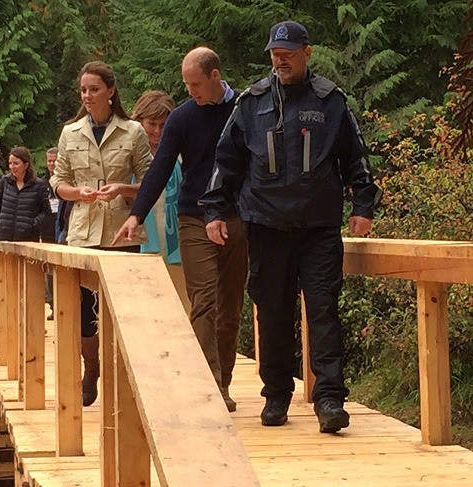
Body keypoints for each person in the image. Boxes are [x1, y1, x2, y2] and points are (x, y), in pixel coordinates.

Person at [202, 21, 382, 433]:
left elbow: (356, 156)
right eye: (274, 54)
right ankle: (276, 395)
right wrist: (214, 211)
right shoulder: (251, 102)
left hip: (318, 227)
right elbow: (226, 162)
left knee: (322, 310)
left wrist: (363, 205)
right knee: (273, 311)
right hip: (265, 225)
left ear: (307, 52)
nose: (279, 60)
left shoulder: (330, 100)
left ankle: (330, 399)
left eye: (287, 53)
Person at [112, 47, 248, 412]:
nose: (190, 91)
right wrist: (136, 215)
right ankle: (212, 388)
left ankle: (225, 379)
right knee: (204, 300)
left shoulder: (245, 110)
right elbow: (158, 170)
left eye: (196, 84)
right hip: (195, 217)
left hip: (238, 217)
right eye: (186, 83)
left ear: (215, 76)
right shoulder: (183, 119)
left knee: (230, 307)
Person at [49, 61, 152, 406]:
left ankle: (124, 376)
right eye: (83, 90)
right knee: (82, 311)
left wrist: (122, 187)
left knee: (123, 308)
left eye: (94, 89)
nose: (88, 95)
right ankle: (90, 368)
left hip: (121, 231)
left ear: (111, 91)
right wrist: (78, 193)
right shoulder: (70, 133)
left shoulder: (133, 131)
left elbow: (150, 182)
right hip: (82, 230)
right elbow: (58, 181)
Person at [132, 90, 190, 311]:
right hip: (142, 236)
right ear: (140, 121)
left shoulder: (182, 151)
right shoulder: (131, 152)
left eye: (163, 124)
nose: (157, 131)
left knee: (181, 302)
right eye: (152, 124)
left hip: (175, 237)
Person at [0, 147, 51, 241]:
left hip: (28, 239)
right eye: (10, 163)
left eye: (16, 163)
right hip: (4, 238)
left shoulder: (38, 185)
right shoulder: (5, 181)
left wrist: (33, 224)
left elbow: (46, 212)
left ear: (26, 165)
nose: (12, 166)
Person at [41, 147, 60, 320]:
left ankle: (63, 306)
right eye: (49, 161)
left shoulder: (67, 182)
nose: (52, 164)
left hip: (61, 231)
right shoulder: (42, 184)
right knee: (48, 274)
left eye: (55, 160)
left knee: (61, 273)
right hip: (46, 232)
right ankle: (53, 306)